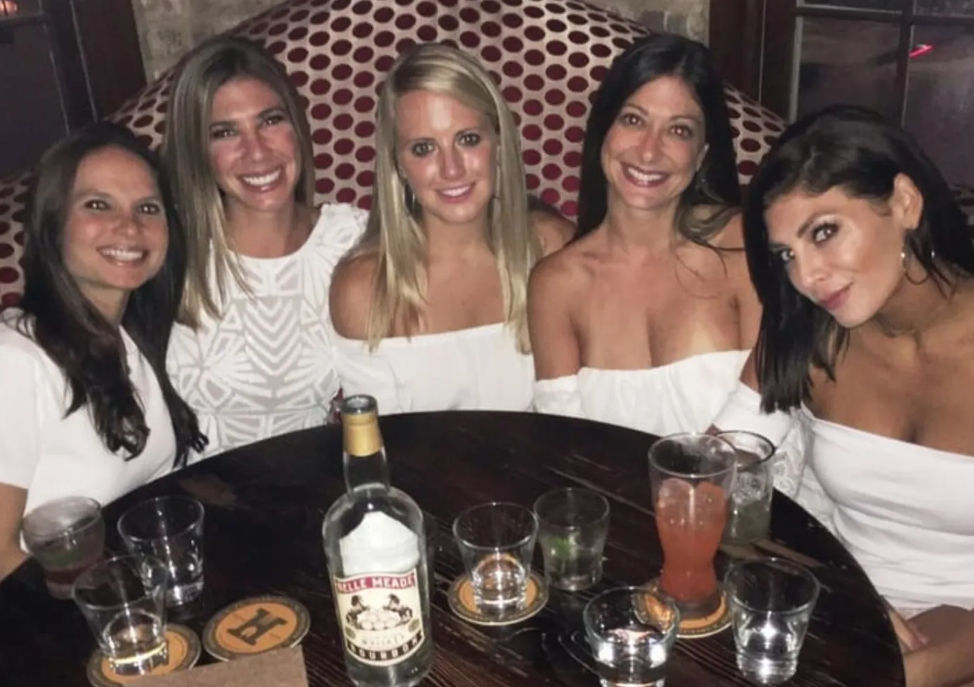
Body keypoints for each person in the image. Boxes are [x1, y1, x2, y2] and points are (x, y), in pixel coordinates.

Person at [722, 104, 974, 687]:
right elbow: (708, 481)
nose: (806, 276)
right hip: (839, 617)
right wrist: (819, 583)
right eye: (787, 253)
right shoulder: (806, 337)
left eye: (825, 232)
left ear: (905, 203)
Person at [0, 123, 205, 578]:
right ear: (52, 224)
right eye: (98, 205)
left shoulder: (132, 340)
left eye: (147, 208)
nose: (129, 226)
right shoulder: (14, 361)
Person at [529, 33, 759, 435]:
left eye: (679, 130)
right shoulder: (556, 284)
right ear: (604, 130)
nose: (649, 152)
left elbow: (776, 407)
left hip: (757, 495)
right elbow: (563, 443)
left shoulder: (744, 244)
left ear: (703, 153)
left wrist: (698, 490)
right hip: (612, 496)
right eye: (633, 120)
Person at [329, 44, 573, 414]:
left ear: (499, 142)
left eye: (468, 139)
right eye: (424, 148)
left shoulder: (549, 249)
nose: (452, 169)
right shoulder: (365, 289)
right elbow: (377, 449)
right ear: (397, 165)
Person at [163, 37, 367, 458]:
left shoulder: (354, 240)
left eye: (270, 121)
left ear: (297, 128)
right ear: (196, 152)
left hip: (317, 494)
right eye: (225, 132)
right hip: (193, 502)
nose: (256, 151)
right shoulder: (167, 250)